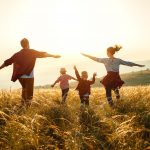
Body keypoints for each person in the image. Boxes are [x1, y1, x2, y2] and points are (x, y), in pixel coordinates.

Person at [0, 38, 61, 107]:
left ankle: (22, 106)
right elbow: (43, 54)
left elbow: (7, 62)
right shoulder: (32, 52)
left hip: (20, 77)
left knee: (24, 90)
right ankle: (26, 110)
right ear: (28, 44)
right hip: (29, 77)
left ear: (21, 45)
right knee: (29, 96)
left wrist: (0, 68)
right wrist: (53, 56)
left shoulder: (17, 54)